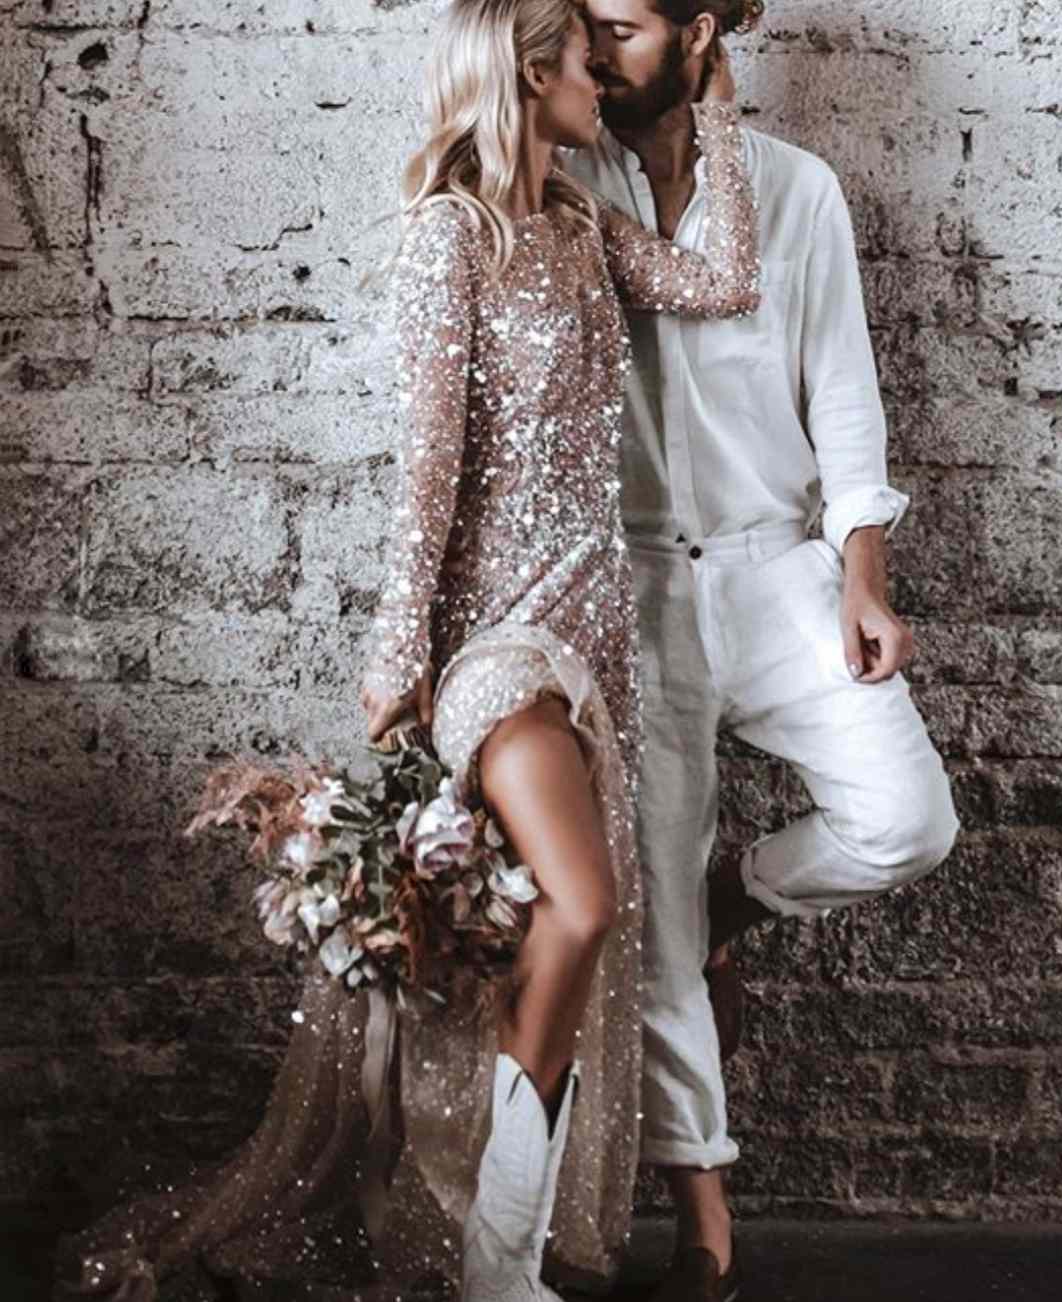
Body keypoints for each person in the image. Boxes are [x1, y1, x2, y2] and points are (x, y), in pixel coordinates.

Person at [56, 3, 758, 1300]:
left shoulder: (582, 228)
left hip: (595, 638)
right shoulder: (454, 236)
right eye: (580, 57)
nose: (601, 72)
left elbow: (723, 280)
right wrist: (398, 658)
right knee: (585, 901)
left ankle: (505, 1244)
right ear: (525, 69)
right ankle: (494, 1264)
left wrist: (713, 90)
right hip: (493, 641)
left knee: (564, 930)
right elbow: (425, 475)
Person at [564, 2, 961, 1298]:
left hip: (775, 569)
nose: (593, 47)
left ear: (699, 29)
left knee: (906, 819)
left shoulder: (793, 191)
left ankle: (738, 892)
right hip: (625, 589)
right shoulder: (555, 182)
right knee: (652, 927)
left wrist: (862, 580)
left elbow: (843, 393)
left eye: (621, 24)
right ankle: (704, 1217)